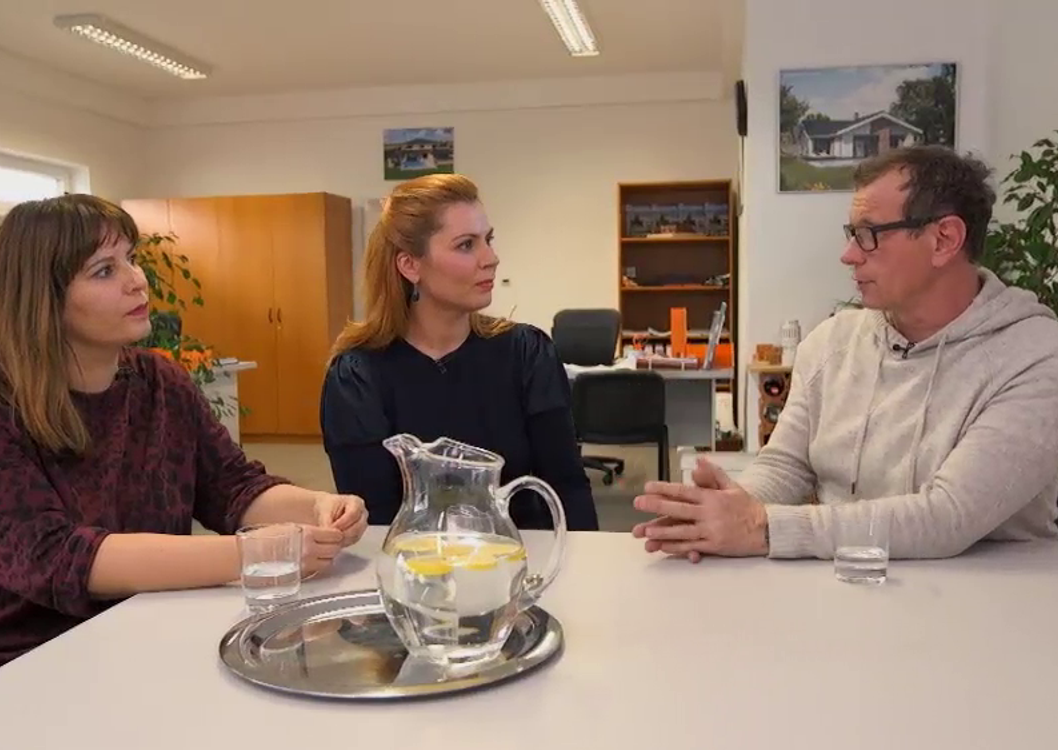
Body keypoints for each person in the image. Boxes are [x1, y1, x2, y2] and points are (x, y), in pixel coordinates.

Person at [0, 194, 368, 677]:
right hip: (24, 665)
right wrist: (253, 553)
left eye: (131, 259)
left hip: (146, 632)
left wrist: (317, 507)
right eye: (104, 271)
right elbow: (58, 559)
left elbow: (232, 486)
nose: (136, 280)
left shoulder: (159, 382)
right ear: (43, 297)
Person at [633, 145, 1058, 562]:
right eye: (851, 234)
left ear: (944, 239)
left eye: (869, 234)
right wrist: (721, 510)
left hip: (983, 601)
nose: (848, 255)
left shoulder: (1035, 357)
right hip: (843, 590)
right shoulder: (831, 342)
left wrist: (761, 526)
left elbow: (947, 517)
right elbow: (786, 467)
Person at [320, 173, 597, 531]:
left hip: (523, 556)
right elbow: (373, 521)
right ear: (410, 265)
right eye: (466, 245)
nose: (491, 258)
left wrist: (584, 561)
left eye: (488, 240)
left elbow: (567, 487)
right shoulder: (357, 377)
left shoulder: (527, 354)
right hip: (413, 561)